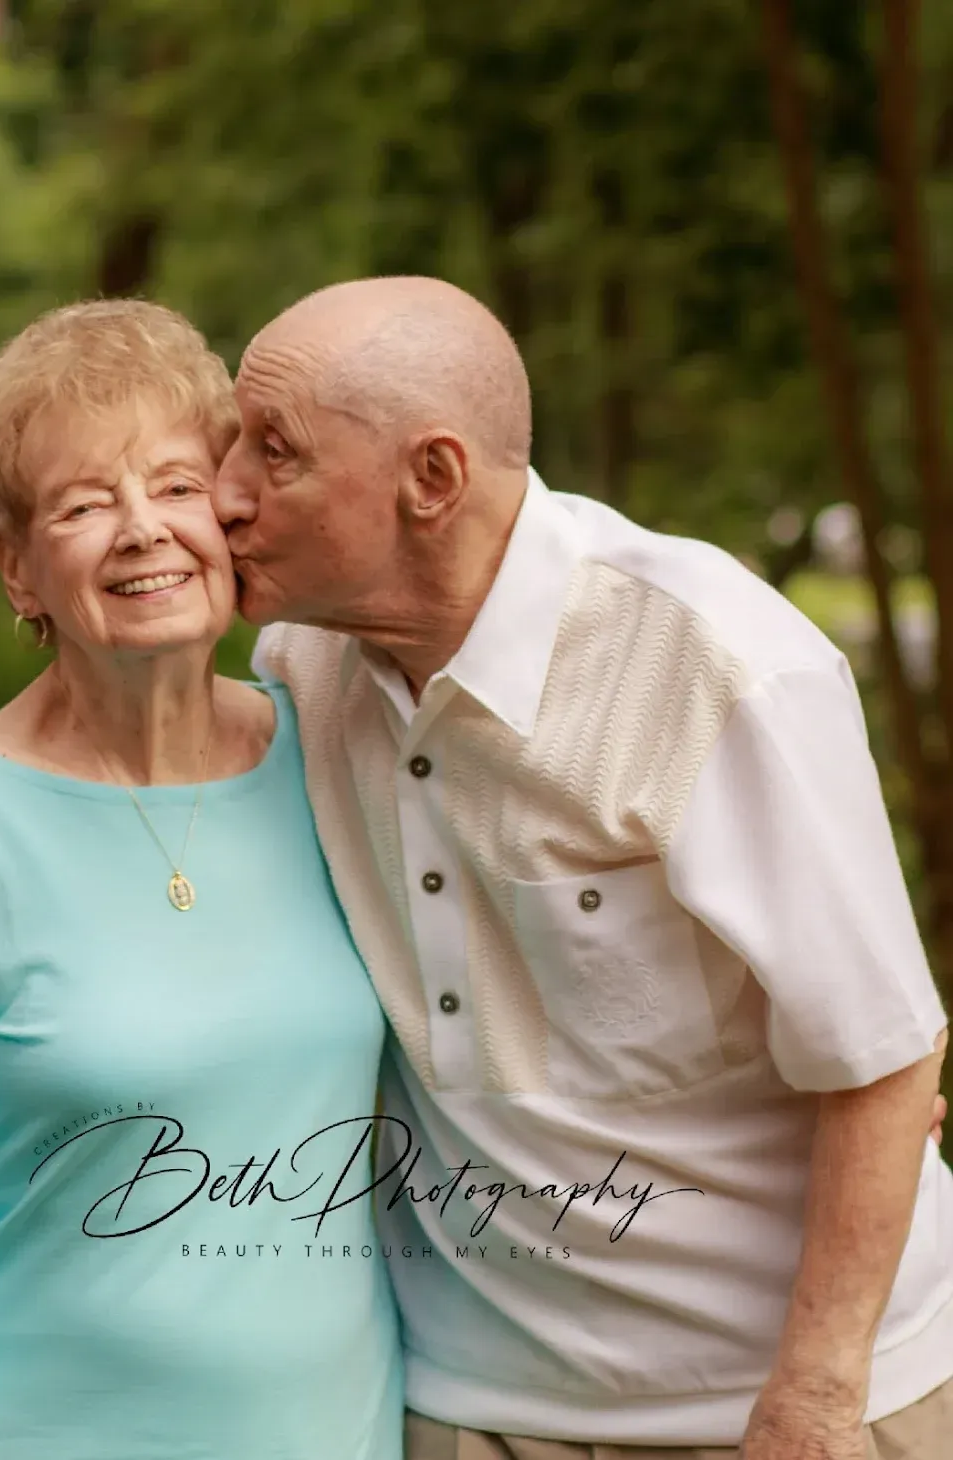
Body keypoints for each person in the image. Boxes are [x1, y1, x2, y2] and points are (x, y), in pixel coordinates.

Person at [213, 275, 953, 1460]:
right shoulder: (298, 663)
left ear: (431, 477)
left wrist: (811, 1398)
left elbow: (883, 1057)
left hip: (787, 1402)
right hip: (466, 1404)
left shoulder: (716, 664)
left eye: (275, 451)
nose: (223, 492)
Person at [0, 299, 403, 1460]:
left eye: (176, 485)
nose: (142, 529)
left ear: (229, 515)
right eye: (84, 504)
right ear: (17, 566)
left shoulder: (337, 753)